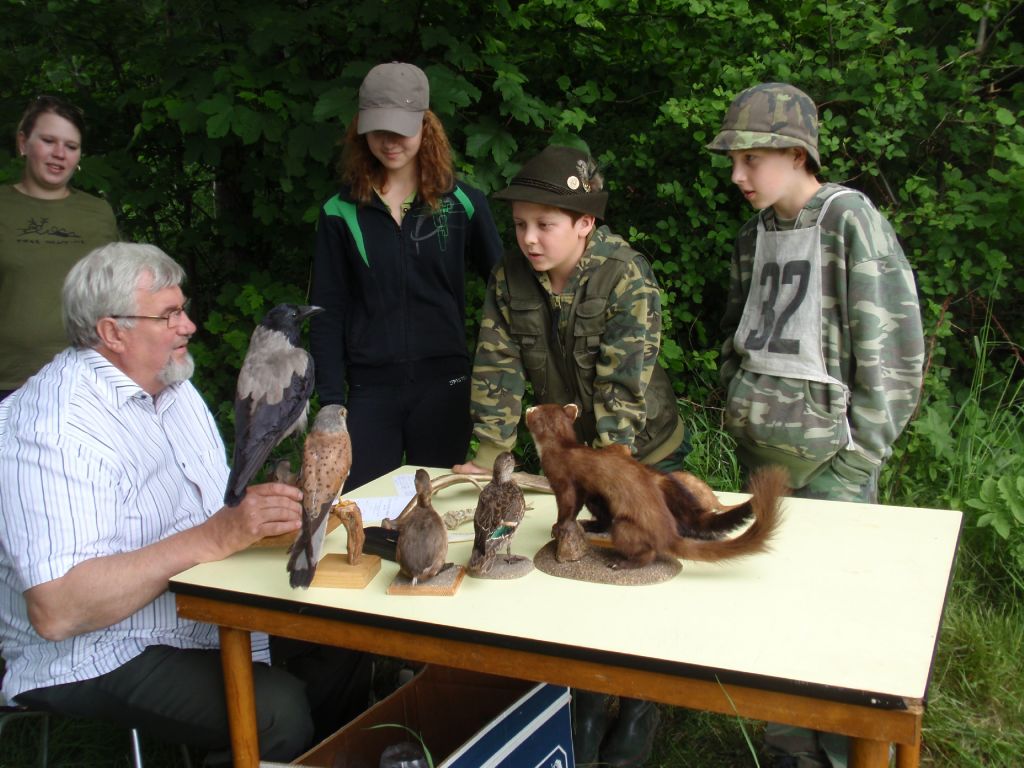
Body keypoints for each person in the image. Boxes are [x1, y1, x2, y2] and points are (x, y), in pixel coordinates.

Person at [0, 243, 368, 763]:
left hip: (201, 604)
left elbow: (220, 510)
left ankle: (317, 755)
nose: (189, 326)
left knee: (354, 634)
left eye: (184, 310)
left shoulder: (172, 386)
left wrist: (265, 521)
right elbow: (58, 611)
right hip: (100, 650)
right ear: (112, 332)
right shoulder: (53, 428)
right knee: (274, 712)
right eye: (169, 315)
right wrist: (214, 537)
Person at [707, 82, 925, 768]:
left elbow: (895, 347)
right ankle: (788, 746)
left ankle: (843, 751)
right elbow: (741, 332)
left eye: (751, 158)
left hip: (835, 466)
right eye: (733, 160)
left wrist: (860, 458)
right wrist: (738, 403)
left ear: (798, 154)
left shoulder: (847, 219)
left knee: (839, 615)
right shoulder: (756, 233)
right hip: (765, 454)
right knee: (774, 603)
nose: (737, 175)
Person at [452, 144, 687, 768]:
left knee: (637, 568)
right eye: (520, 224)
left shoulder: (624, 275)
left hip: (639, 449)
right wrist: (491, 449)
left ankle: (638, 703)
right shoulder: (509, 276)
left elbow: (623, 385)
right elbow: (497, 361)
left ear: (585, 223)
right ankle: (582, 699)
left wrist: (613, 470)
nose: (529, 238)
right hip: (570, 452)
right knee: (574, 564)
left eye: (545, 225)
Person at [310, 61, 503, 491]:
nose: (389, 141)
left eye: (401, 129)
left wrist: (496, 381)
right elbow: (327, 311)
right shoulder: (339, 212)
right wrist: (331, 404)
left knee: (440, 509)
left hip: (445, 386)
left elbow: (506, 293)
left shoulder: (464, 203)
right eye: (377, 129)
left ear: (426, 125)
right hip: (369, 390)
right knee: (361, 509)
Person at [0, 95, 119, 401]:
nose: (59, 154)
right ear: (23, 143)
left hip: (84, 379)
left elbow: (118, 294)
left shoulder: (97, 213)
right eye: (49, 141)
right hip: (7, 379)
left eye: (71, 146)